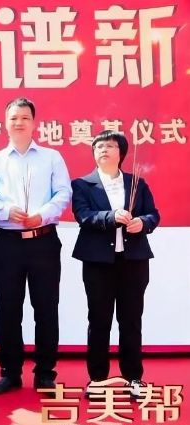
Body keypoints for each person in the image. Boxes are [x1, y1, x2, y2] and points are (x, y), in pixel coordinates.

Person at [0, 97, 71, 394]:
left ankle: (45, 372)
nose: (19, 122)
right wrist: (6, 211)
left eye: (24, 117)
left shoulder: (51, 157)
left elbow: (63, 193)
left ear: (34, 123)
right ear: (5, 123)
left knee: (46, 307)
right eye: (13, 118)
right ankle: (10, 372)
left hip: (43, 240)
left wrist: (42, 215)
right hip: (8, 242)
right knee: (8, 308)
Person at [71, 130, 160, 399]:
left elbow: (153, 214)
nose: (103, 150)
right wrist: (111, 217)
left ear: (121, 153)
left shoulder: (137, 183)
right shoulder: (82, 184)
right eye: (98, 147)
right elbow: (83, 215)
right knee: (99, 320)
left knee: (131, 320)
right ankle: (98, 378)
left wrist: (142, 223)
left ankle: (133, 378)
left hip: (133, 261)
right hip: (98, 262)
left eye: (110, 146)